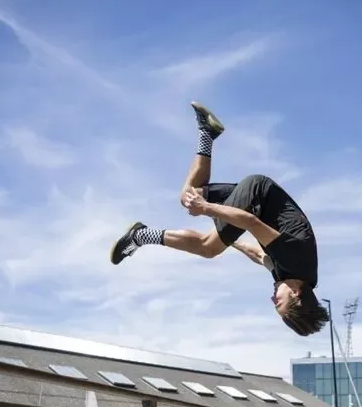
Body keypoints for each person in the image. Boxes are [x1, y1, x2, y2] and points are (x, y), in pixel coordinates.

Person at [109, 101, 330, 336]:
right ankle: (140, 236)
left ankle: (208, 132)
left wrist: (232, 242)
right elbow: (251, 223)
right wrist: (206, 209)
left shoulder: (292, 275)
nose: (272, 298)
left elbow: (259, 255)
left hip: (260, 196)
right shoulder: (295, 258)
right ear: (296, 293)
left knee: (189, 194)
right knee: (208, 248)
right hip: (257, 198)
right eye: (278, 302)